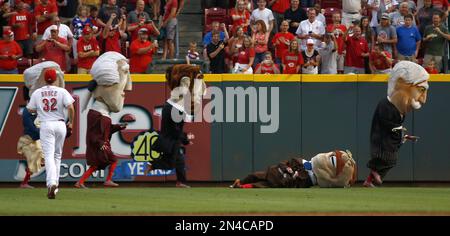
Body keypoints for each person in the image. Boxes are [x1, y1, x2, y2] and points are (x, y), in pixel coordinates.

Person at [364, 61, 429, 187]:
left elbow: (395, 127)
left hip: (390, 142)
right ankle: (374, 174)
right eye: (420, 90)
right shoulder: (385, 105)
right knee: (386, 159)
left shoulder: (400, 110)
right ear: (400, 83)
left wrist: (404, 135)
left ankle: (370, 180)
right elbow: (387, 124)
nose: (423, 99)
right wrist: (397, 129)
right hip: (382, 141)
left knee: (391, 160)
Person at [75, 52, 131, 189]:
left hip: (101, 142)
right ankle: (108, 180)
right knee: (112, 159)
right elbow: (94, 133)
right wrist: (101, 143)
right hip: (100, 144)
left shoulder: (100, 113)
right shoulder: (97, 114)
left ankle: (80, 182)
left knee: (97, 165)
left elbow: (105, 129)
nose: (124, 92)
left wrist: (118, 127)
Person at [149, 64, 206, 188]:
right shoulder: (182, 84)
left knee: (177, 160)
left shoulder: (182, 86)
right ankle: (156, 165)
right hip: (174, 111)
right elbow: (175, 131)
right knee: (173, 143)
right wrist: (185, 139)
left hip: (174, 110)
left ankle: (180, 181)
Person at [27, 68, 75, 199]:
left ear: (44, 79)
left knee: (48, 156)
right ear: (55, 79)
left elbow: (30, 109)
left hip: (46, 124)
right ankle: (55, 187)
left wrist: (39, 111)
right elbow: (70, 107)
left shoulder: (38, 92)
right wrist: (71, 123)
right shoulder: (61, 91)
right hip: (60, 124)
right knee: (57, 156)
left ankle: (51, 183)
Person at [231, 150, 357, 188]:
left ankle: (241, 187)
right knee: (254, 176)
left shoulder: (308, 179)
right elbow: (286, 162)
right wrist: (286, 167)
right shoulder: (302, 162)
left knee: (259, 185)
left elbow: (295, 184)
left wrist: (292, 177)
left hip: (279, 180)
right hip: (275, 171)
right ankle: (239, 183)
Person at [17, 87, 44, 189]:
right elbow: (30, 127)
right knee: (35, 158)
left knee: (41, 159)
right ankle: (24, 183)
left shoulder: (38, 109)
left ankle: (25, 181)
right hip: (27, 141)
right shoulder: (27, 111)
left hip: (35, 140)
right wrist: (42, 132)